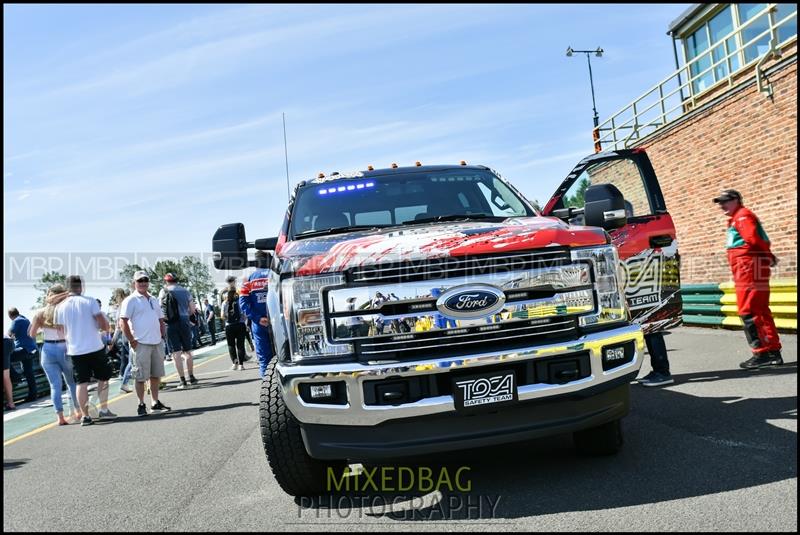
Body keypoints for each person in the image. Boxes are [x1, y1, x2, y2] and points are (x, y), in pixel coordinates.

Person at [714, 189, 783, 368]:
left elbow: (753, 239)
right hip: (749, 268)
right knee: (759, 310)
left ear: (736, 200)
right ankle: (773, 352)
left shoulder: (742, 216)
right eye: (720, 203)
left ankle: (762, 354)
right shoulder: (737, 218)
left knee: (749, 310)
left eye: (725, 201)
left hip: (749, 268)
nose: (722, 206)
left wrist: (767, 256)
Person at [54, 275, 116, 426]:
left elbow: (59, 331)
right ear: (80, 286)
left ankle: (85, 416)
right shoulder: (90, 301)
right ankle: (103, 409)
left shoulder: (60, 307)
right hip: (94, 346)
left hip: (75, 349)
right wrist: (104, 328)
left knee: (81, 382)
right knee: (103, 377)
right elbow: (103, 324)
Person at [28, 284, 82, 425]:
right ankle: (77, 411)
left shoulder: (40, 313)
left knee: (54, 386)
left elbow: (32, 334)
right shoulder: (66, 311)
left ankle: (60, 417)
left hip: (47, 349)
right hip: (65, 347)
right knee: (71, 382)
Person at [119, 271, 171, 417]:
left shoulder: (153, 299)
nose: (143, 283)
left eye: (145, 280)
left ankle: (155, 402)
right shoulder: (131, 300)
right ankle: (141, 404)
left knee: (156, 375)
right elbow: (123, 321)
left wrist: (162, 336)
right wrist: (132, 341)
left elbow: (160, 319)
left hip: (156, 342)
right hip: (140, 343)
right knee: (140, 377)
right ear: (134, 283)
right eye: (139, 280)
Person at [158, 273, 198, 389]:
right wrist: (185, 314)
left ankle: (182, 380)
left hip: (170, 323)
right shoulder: (185, 291)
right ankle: (191, 377)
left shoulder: (163, 291)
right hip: (184, 321)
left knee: (176, 353)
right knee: (188, 351)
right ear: (176, 280)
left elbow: (160, 308)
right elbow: (192, 309)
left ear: (166, 281)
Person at [239, 251, 273, 377]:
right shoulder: (276, 275)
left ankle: (268, 388)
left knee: (264, 359)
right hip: (279, 323)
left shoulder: (248, 279)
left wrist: (258, 319)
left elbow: (243, 304)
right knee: (285, 356)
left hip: (259, 324)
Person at [7, 307, 39, 402]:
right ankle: (33, 395)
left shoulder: (16, 320)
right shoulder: (25, 319)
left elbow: (9, 334)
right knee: (29, 373)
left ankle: (15, 376)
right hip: (32, 350)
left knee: (5, 357)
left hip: (24, 349)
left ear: (10, 316)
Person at [222, 288, 248, 370]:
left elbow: (222, 316)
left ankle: (234, 363)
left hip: (229, 326)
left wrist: (227, 318)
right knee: (240, 345)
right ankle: (241, 365)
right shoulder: (239, 301)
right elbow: (244, 314)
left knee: (231, 345)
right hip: (240, 325)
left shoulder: (225, 303)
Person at [3, 335, 16, 411]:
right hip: (8, 342)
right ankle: (10, 403)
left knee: (5, 376)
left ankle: (11, 403)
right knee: (6, 376)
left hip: (5, 343)